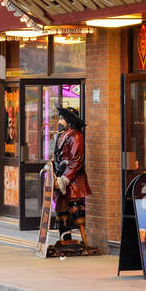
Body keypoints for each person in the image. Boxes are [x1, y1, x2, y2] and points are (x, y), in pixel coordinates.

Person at [51, 106, 92, 250]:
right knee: (61, 210)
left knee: (77, 211)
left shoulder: (76, 136)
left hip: (74, 181)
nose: (60, 121)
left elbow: (76, 160)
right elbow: (56, 156)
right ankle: (65, 240)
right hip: (61, 177)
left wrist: (65, 178)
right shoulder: (62, 135)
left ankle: (85, 243)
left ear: (69, 120)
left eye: (62, 119)